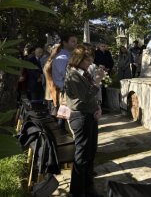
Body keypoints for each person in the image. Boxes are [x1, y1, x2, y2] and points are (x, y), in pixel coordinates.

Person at [64, 45, 104, 197]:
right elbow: (86, 96)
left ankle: (88, 188)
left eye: (91, 59)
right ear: (79, 59)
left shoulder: (82, 73)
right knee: (82, 156)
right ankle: (77, 192)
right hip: (81, 117)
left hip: (89, 115)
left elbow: (90, 96)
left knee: (90, 153)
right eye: (87, 59)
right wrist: (98, 80)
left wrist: (97, 107)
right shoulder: (73, 74)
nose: (90, 62)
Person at [52, 34, 78, 126]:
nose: (75, 44)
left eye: (76, 41)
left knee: (66, 116)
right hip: (66, 89)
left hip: (69, 89)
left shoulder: (69, 55)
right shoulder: (62, 57)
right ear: (65, 43)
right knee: (66, 118)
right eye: (73, 41)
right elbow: (64, 74)